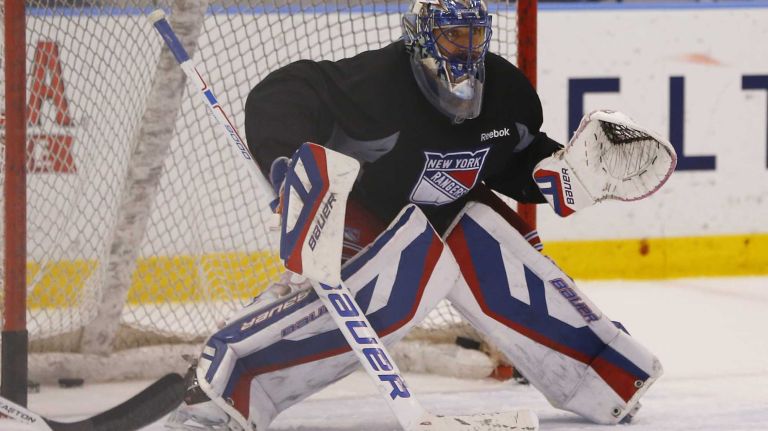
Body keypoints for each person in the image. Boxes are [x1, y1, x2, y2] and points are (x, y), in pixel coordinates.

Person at [166, 0, 664, 429]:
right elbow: (284, 93)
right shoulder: (379, 85)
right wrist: (286, 163)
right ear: (421, 39)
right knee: (389, 285)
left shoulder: (506, 91)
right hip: (360, 219)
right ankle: (229, 379)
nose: (466, 48)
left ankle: (598, 374)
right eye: (451, 35)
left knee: (486, 236)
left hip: (444, 220)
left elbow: (512, 159)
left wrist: (556, 173)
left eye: (473, 34)